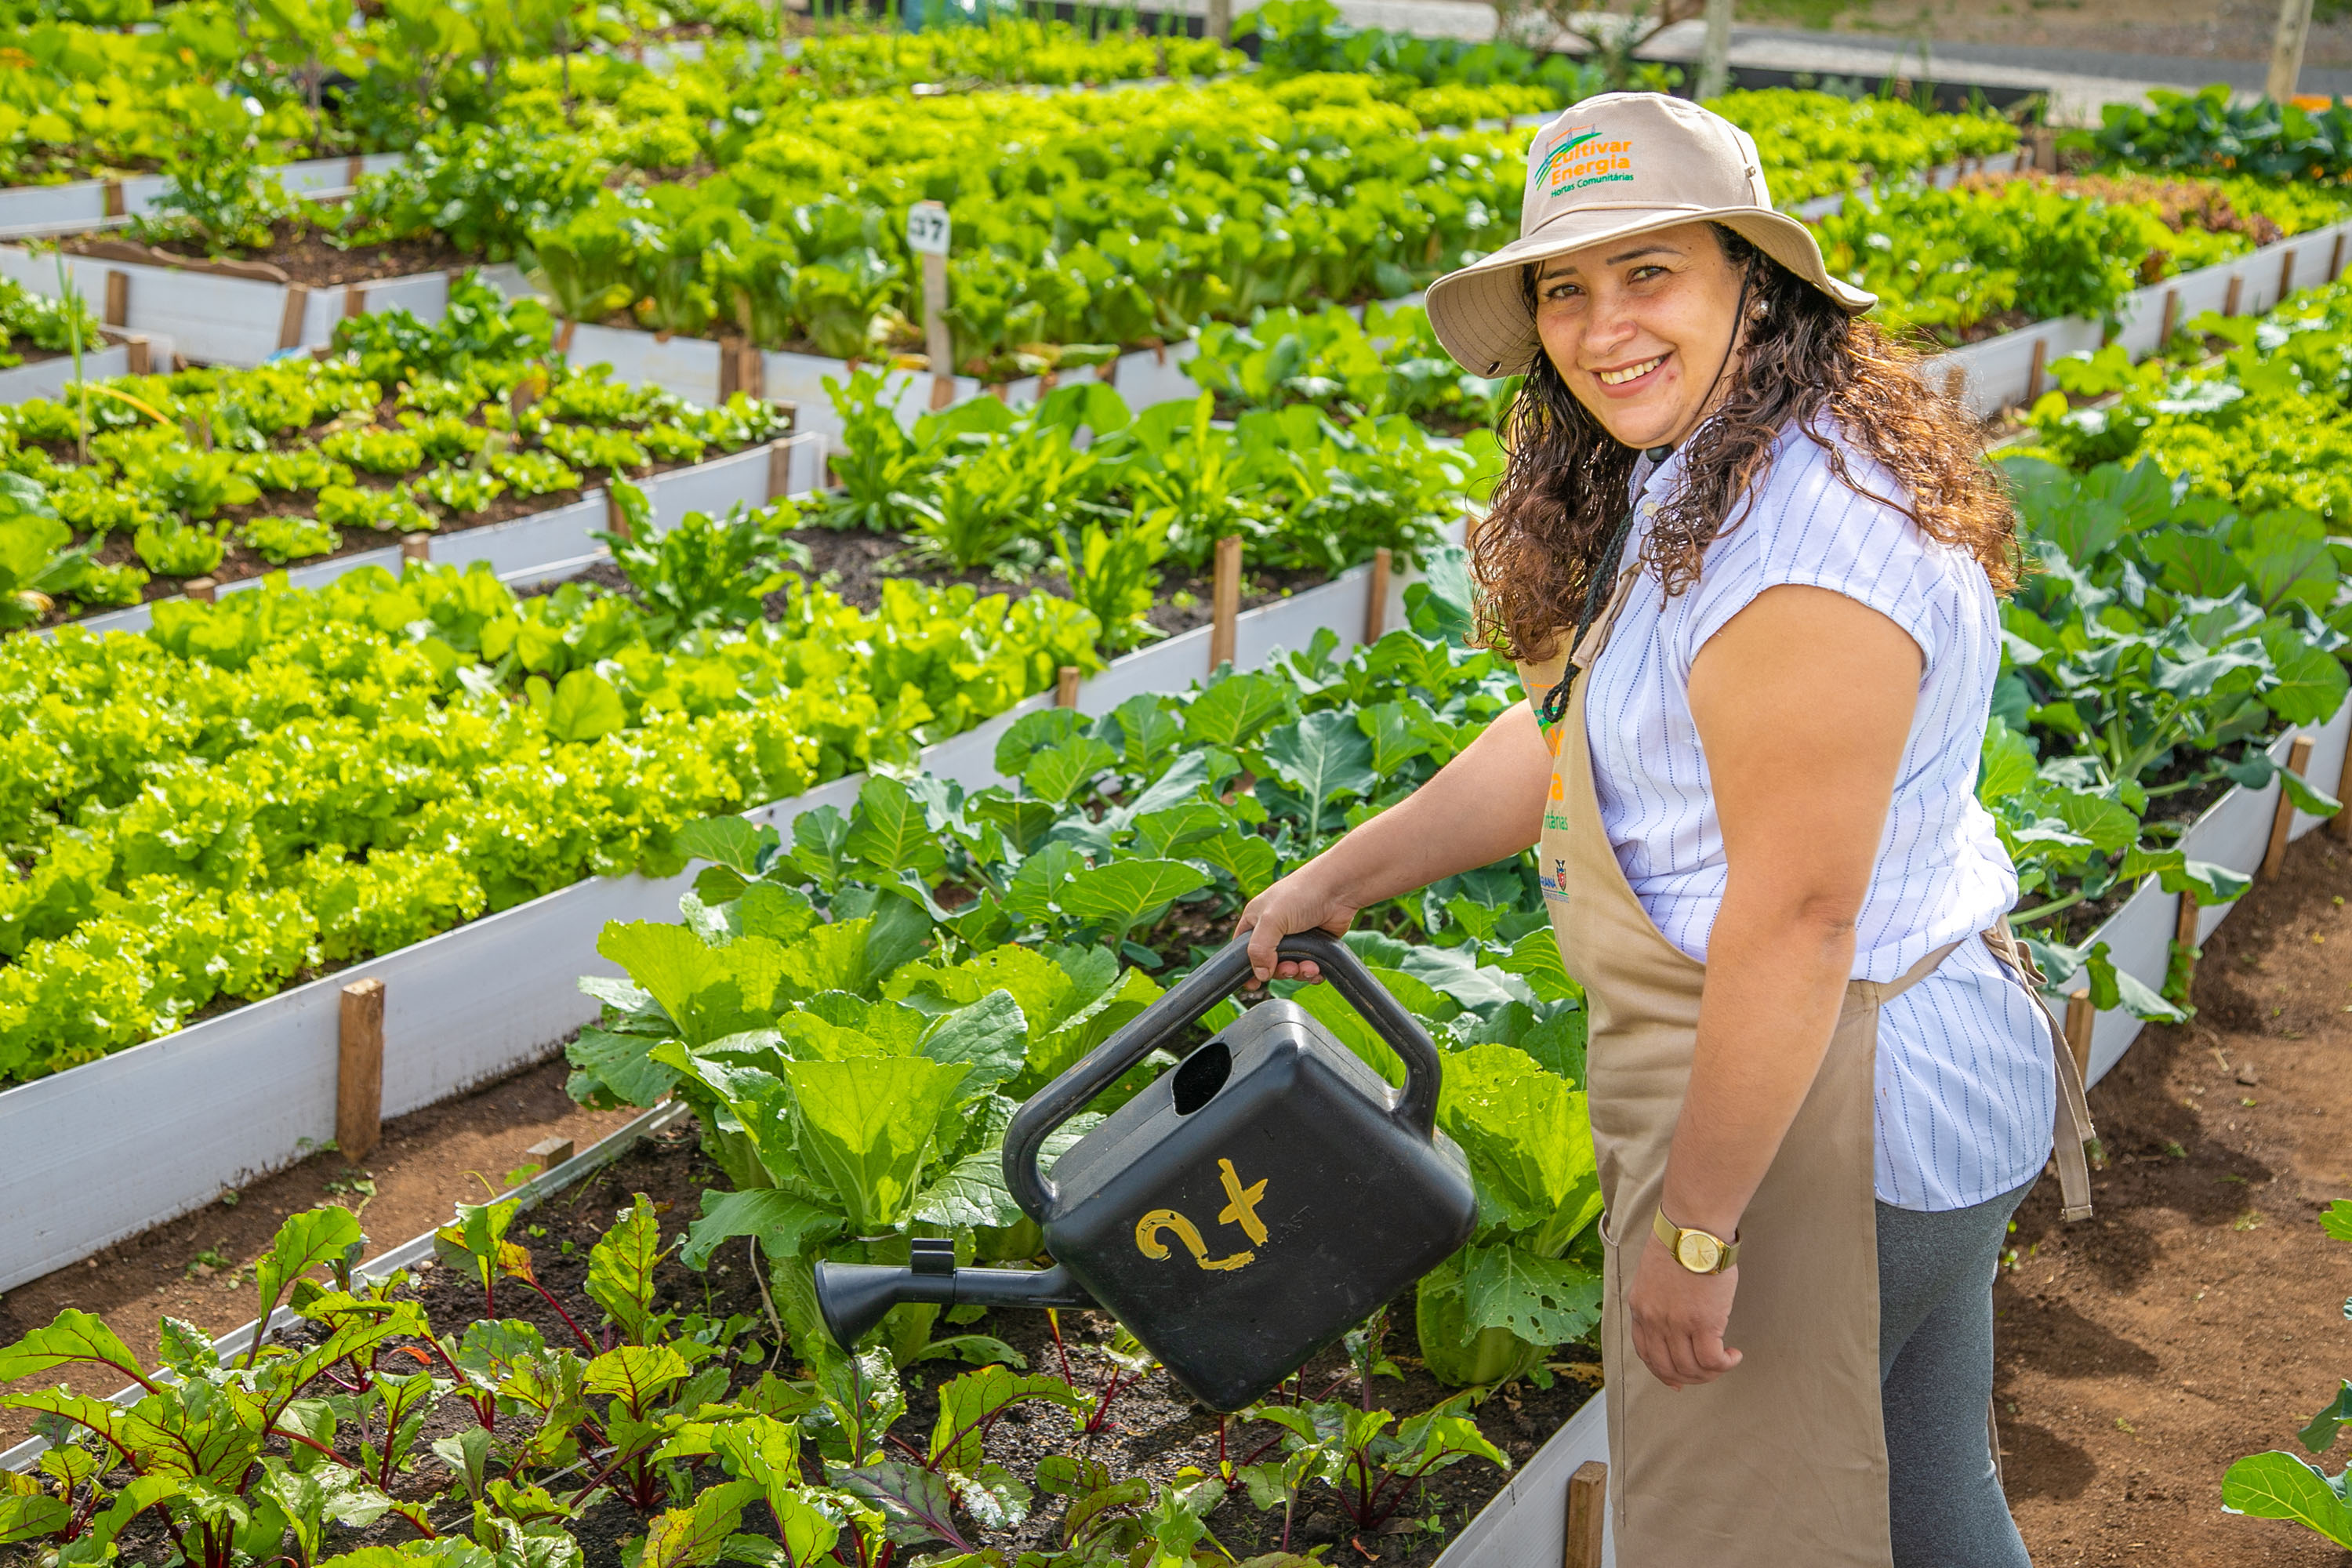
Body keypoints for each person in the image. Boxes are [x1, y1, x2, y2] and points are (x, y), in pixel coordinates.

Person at [1235, 93, 2095, 1567]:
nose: (1601, 324)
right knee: (1930, 1509)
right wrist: (1344, 874)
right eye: (1564, 286)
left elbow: (1797, 922)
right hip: (1889, 1079)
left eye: (1651, 273)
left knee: (1736, 1539)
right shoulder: (1706, 468)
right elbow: (1588, 742)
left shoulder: (1805, 552)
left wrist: (1697, 1235)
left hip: (1821, 1115)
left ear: (1753, 281)